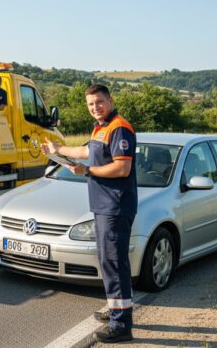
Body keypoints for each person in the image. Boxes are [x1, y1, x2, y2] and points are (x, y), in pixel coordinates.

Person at [42, 84, 137, 343]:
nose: (95, 107)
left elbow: (122, 168)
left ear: (110, 100)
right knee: (109, 261)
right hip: (103, 205)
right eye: (90, 104)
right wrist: (58, 150)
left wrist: (88, 171)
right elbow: (85, 152)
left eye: (99, 102)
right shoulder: (101, 127)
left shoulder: (119, 127)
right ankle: (117, 309)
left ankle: (122, 325)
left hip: (115, 206)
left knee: (114, 263)